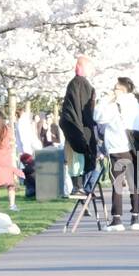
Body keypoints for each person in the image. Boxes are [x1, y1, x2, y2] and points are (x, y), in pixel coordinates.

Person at [95, 77, 139, 231]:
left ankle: (117, 219)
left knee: (117, 183)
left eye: (115, 88)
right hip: (136, 148)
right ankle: (135, 218)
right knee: (134, 184)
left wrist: (105, 101)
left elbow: (97, 117)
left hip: (118, 148)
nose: (113, 90)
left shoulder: (114, 106)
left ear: (122, 90)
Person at [60, 55, 97, 191]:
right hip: (82, 127)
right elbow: (85, 109)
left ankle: (78, 186)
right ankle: (84, 187)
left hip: (72, 127)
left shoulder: (73, 84)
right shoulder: (84, 84)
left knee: (75, 160)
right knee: (87, 160)